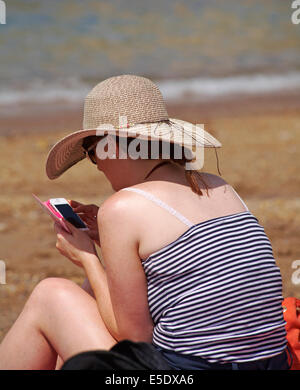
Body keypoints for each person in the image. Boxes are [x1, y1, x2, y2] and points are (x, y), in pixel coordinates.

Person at [0, 75, 289, 370]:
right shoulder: (218, 186)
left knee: (50, 296)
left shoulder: (122, 209)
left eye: (90, 151)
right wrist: (115, 246)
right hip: (271, 364)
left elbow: (136, 339)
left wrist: (87, 257)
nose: (96, 165)